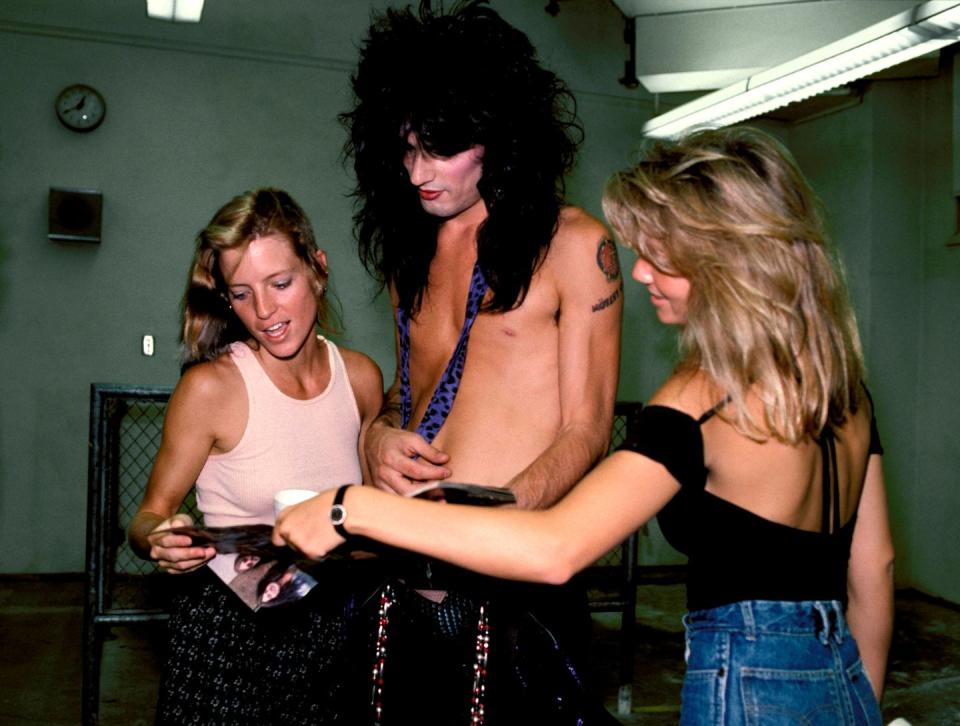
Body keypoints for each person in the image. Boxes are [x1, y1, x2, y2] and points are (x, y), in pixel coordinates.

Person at [275, 127, 896, 725]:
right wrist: (859, 701)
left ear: (727, 259)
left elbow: (555, 548)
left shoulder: (702, 396)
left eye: (661, 255)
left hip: (746, 689)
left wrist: (347, 509)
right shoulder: (841, 389)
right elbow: (875, 571)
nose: (644, 272)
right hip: (839, 674)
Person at [338, 0, 623, 721]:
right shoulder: (414, 252)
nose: (416, 173)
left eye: (438, 150)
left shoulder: (574, 244)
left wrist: (503, 524)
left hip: (518, 582)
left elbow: (587, 429)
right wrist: (375, 436)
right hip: (409, 574)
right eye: (404, 150)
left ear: (497, 137)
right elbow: (413, 392)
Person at [128, 188, 383, 724]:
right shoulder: (211, 388)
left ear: (318, 267)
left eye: (280, 284)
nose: (264, 311)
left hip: (335, 629)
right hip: (227, 641)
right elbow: (147, 517)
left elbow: (368, 516)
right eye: (241, 294)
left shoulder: (359, 378)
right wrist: (161, 538)